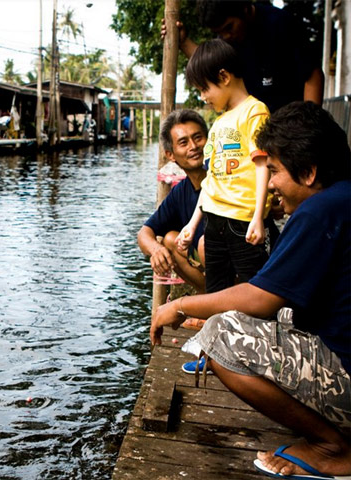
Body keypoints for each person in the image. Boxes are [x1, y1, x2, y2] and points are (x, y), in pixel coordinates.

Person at [151, 101, 351, 479]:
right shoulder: (338, 198)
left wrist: (180, 308)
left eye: (273, 171)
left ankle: (333, 447)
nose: (270, 183)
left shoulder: (320, 211)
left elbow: (260, 298)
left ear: (308, 172)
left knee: (219, 336)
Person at [177, 39, 273, 295]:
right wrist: (192, 223)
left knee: (257, 287)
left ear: (224, 76)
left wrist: (257, 217)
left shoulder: (255, 112)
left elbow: (263, 165)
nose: (203, 97)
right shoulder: (219, 124)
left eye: (204, 88)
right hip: (214, 220)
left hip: (242, 221)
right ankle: (218, 332)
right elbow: (212, 180)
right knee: (216, 287)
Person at [162, 0, 323, 113]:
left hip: (292, 121)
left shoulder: (281, 24)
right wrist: (183, 42)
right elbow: (210, 66)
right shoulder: (228, 40)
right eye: (219, 33)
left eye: (229, 27)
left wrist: (308, 123)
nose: (226, 36)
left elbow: (313, 75)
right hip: (259, 124)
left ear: (245, 9)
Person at [137, 109, 208, 294]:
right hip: (210, 266)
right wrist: (155, 250)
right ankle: (210, 298)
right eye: (183, 143)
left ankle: (220, 302)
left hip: (243, 264)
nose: (193, 146)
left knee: (206, 244)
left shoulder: (224, 178)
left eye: (198, 138)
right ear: (171, 155)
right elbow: (144, 233)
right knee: (169, 240)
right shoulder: (180, 192)